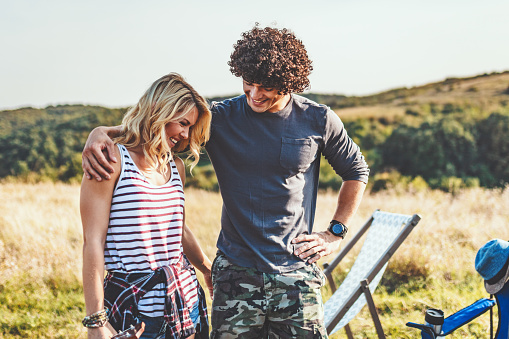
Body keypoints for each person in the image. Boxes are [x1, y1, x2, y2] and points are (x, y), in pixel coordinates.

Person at [82, 26, 369, 338]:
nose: (255, 95)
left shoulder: (319, 119)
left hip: (297, 273)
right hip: (235, 274)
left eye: (266, 88)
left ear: (289, 83)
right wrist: (102, 132)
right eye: (248, 84)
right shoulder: (220, 118)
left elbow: (356, 170)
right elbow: (159, 126)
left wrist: (334, 233)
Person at [80, 73, 213, 339]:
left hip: (185, 300)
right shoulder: (110, 159)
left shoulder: (175, 166)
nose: (186, 134)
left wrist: (207, 269)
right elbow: (92, 241)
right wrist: (96, 321)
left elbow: (179, 229)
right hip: (134, 309)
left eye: (191, 127)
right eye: (182, 123)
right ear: (158, 110)